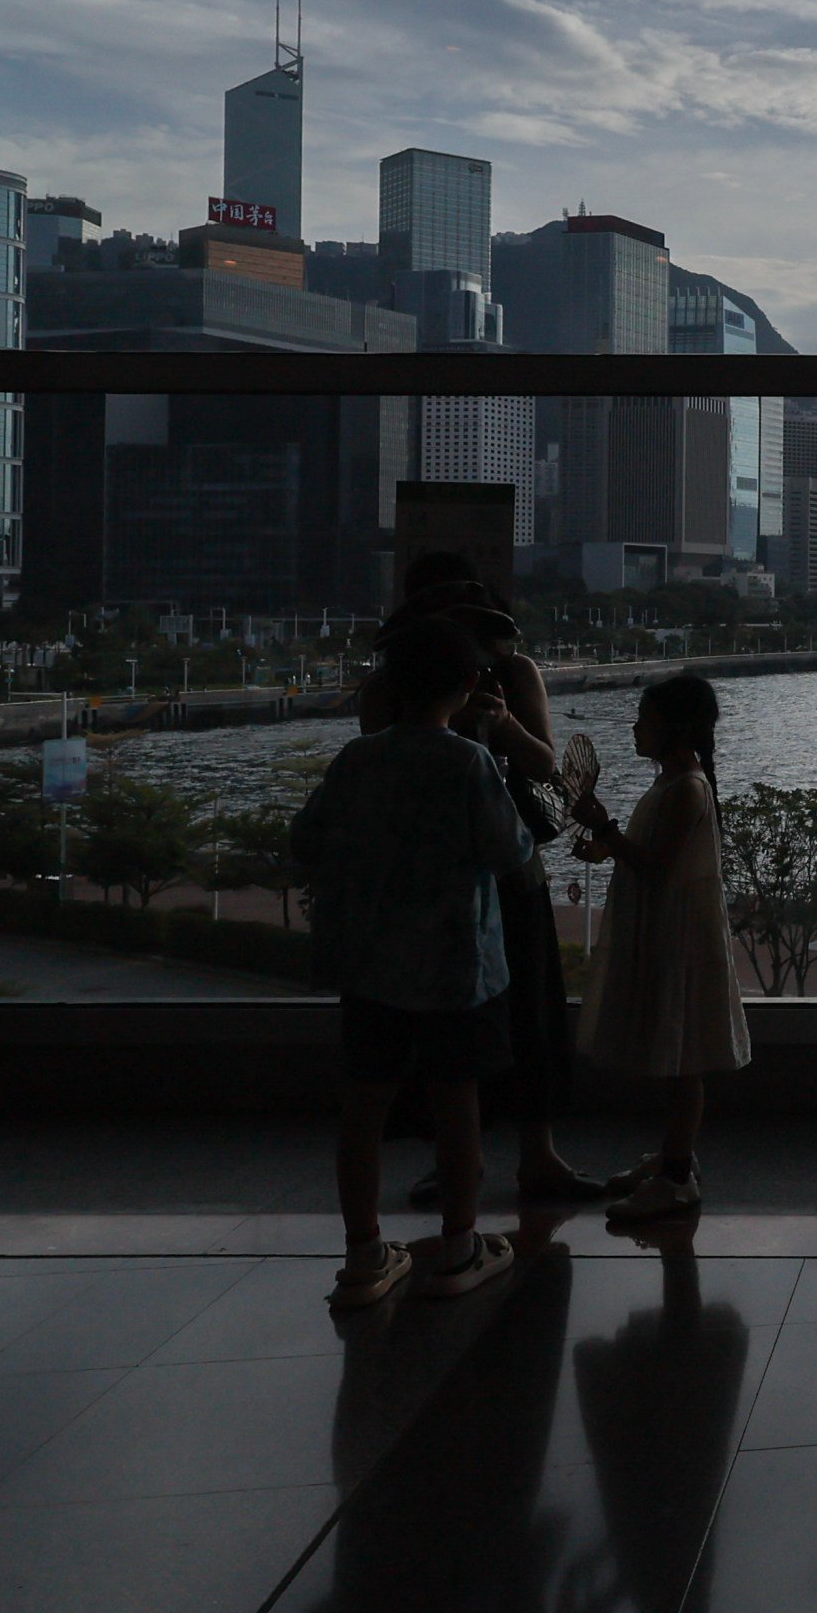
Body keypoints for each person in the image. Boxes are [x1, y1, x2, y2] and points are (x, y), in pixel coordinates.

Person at [292, 616, 531, 1311]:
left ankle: (365, 1256)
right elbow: (511, 854)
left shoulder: (358, 759)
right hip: (458, 973)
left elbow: (307, 842)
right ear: (466, 688)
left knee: (363, 1110)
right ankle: (459, 1247)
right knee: (458, 1108)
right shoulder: (467, 762)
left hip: (369, 968)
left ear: (389, 687)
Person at [371, 558, 607, 1209]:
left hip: (507, 864)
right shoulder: (387, 686)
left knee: (528, 1007)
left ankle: (538, 1154)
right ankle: (454, 1156)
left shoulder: (512, 674)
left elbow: (545, 768)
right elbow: (383, 757)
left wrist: (500, 724)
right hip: (431, 870)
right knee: (439, 1015)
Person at [569, 675, 748, 1227]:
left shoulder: (684, 788)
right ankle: (675, 1157)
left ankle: (676, 1177)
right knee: (679, 1054)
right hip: (676, 932)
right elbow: (652, 858)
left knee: (682, 1058)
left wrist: (606, 829)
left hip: (677, 939)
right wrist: (610, 844)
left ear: (672, 727)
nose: (634, 727)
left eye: (644, 719)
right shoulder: (681, 783)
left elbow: (657, 867)